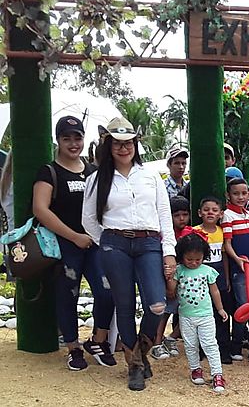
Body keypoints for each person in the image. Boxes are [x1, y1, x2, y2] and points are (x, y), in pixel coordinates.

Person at [82, 117, 176, 391]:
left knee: (156, 304)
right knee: (123, 304)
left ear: (135, 145)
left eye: (128, 143)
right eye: (117, 144)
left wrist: (168, 251)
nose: (123, 148)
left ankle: (141, 352)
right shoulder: (97, 178)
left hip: (149, 242)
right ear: (109, 146)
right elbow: (88, 219)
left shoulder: (150, 177)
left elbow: (164, 216)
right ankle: (134, 365)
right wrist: (107, 242)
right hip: (115, 243)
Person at [33, 115, 115, 371]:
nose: (72, 143)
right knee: (68, 295)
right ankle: (73, 348)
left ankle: (98, 340)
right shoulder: (49, 172)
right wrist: (73, 236)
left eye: (77, 137)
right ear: (57, 140)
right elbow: (40, 209)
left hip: (93, 245)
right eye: (66, 138)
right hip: (63, 246)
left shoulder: (93, 171)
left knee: (107, 291)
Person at [167, 229, 228, 392]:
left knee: (210, 344)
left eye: (198, 259)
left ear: (204, 256)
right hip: (186, 316)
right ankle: (195, 369)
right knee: (190, 345)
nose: (194, 263)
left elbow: (214, 291)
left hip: (206, 315)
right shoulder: (179, 270)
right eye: (189, 259)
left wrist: (220, 309)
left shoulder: (207, 271)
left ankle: (217, 374)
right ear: (181, 256)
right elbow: (171, 291)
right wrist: (171, 277)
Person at [222, 177, 249, 362]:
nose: (240, 197)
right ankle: (236, 345)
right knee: (243, 306)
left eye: (244, 193)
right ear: (228, 195)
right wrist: (237, 259)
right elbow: (227, 243)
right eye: (236, 193)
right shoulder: (227, 215)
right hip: (240, 269)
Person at [194, 196, 234, 365]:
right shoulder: (195, 231)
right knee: (204, 315)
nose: (210, 212)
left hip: (218, 277)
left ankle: (224, 349)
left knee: (222, 314)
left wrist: (226, 278)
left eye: (214, 210)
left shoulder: (222, 232)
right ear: (199, 213)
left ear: (220, 214)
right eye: (206, 209)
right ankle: (202, 349)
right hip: (200, 280)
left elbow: (224, 255)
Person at [151, 196, 189, 359]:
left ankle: (171, 338)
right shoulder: (164, 235)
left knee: (188, 311)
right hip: (168, 278)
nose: (181, 218)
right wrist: (169, 284)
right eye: (177, 215)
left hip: (185, 280)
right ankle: (157, 343)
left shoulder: (190, 232)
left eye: (185, 214)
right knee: (165, 312)